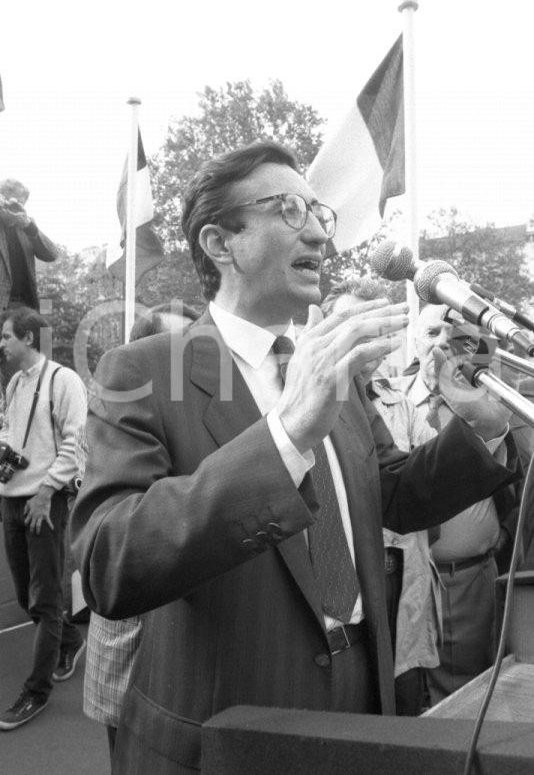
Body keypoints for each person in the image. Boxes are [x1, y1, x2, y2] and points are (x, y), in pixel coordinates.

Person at [71, 142, 518, 774]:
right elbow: (108, 563)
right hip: (228, 728)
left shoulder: (331, 366)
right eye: (287, 209)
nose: (316, 231)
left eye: (317, 211)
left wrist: (477, 426)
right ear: (221, 244)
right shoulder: (145, 372)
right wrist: (287, 433)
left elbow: (393, 493)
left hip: (366, 700)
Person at [83, 301, 199, 760]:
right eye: (180, 346)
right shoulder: (118, 409)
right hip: (133, 623)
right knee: (130, 749)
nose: (192, 357)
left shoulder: (216, 407)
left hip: (192, 635)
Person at [323, 277, 441, 716]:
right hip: (341, 593)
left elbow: (421, 485)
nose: (362, 342)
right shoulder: (302, 400)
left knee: (401, 700)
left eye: (373, 331)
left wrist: (479, 426)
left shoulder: (403, 407)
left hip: (400, 578)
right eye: (350, 326)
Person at [393, 302, 520, 704]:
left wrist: (501, 533)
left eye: (458, 338)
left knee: (480, 694)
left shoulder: (495, 402)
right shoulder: (388, 400)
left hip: (476, 579)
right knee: (416, 701)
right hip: (409, 587)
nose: (442, 347)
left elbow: (521, 478)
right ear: (414, 338)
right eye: (433, 334)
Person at [0, 307, 87, 730]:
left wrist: (47, 490)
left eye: (6, 337)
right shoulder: (15, 382)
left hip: (43, 502)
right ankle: (70, 640)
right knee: (25, 596)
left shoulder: (64, 381)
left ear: (29, 339)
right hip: (11, 500)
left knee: (46, 600)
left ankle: (36, 692)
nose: (1, 344)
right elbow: (10, 431)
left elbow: (76, 443)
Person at [0, 179, 58, 311]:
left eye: (22, 204)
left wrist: (29, 227)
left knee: (43, 330)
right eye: (15, 202)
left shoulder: (25, 226)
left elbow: (52, 255)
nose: (18, 208)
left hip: (24, 305)